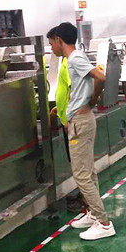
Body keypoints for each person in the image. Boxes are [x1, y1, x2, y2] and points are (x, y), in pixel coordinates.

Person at [47, 22, 116, 240]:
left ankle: (104, 223)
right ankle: (94, 214)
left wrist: (92, 101)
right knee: (88, 172)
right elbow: (81, 86)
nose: (51, 48)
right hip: (79, 118)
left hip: (81, 122)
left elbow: (100, 77)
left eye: (51, 43)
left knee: (82, 176)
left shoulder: (74, 58)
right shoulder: (74, 58)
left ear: (59, 40)